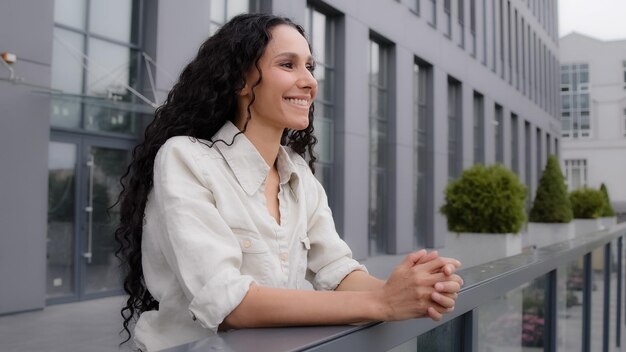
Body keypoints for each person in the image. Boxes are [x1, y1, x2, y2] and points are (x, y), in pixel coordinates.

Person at [115, 13, 463, 352]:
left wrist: (412, 289)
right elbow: (229, 303)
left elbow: (335, 269)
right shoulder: (185, 159)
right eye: (287, 64)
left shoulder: (299, 176)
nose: (309, 81)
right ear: (240, 80)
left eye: (309, 67)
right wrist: (384, 303)